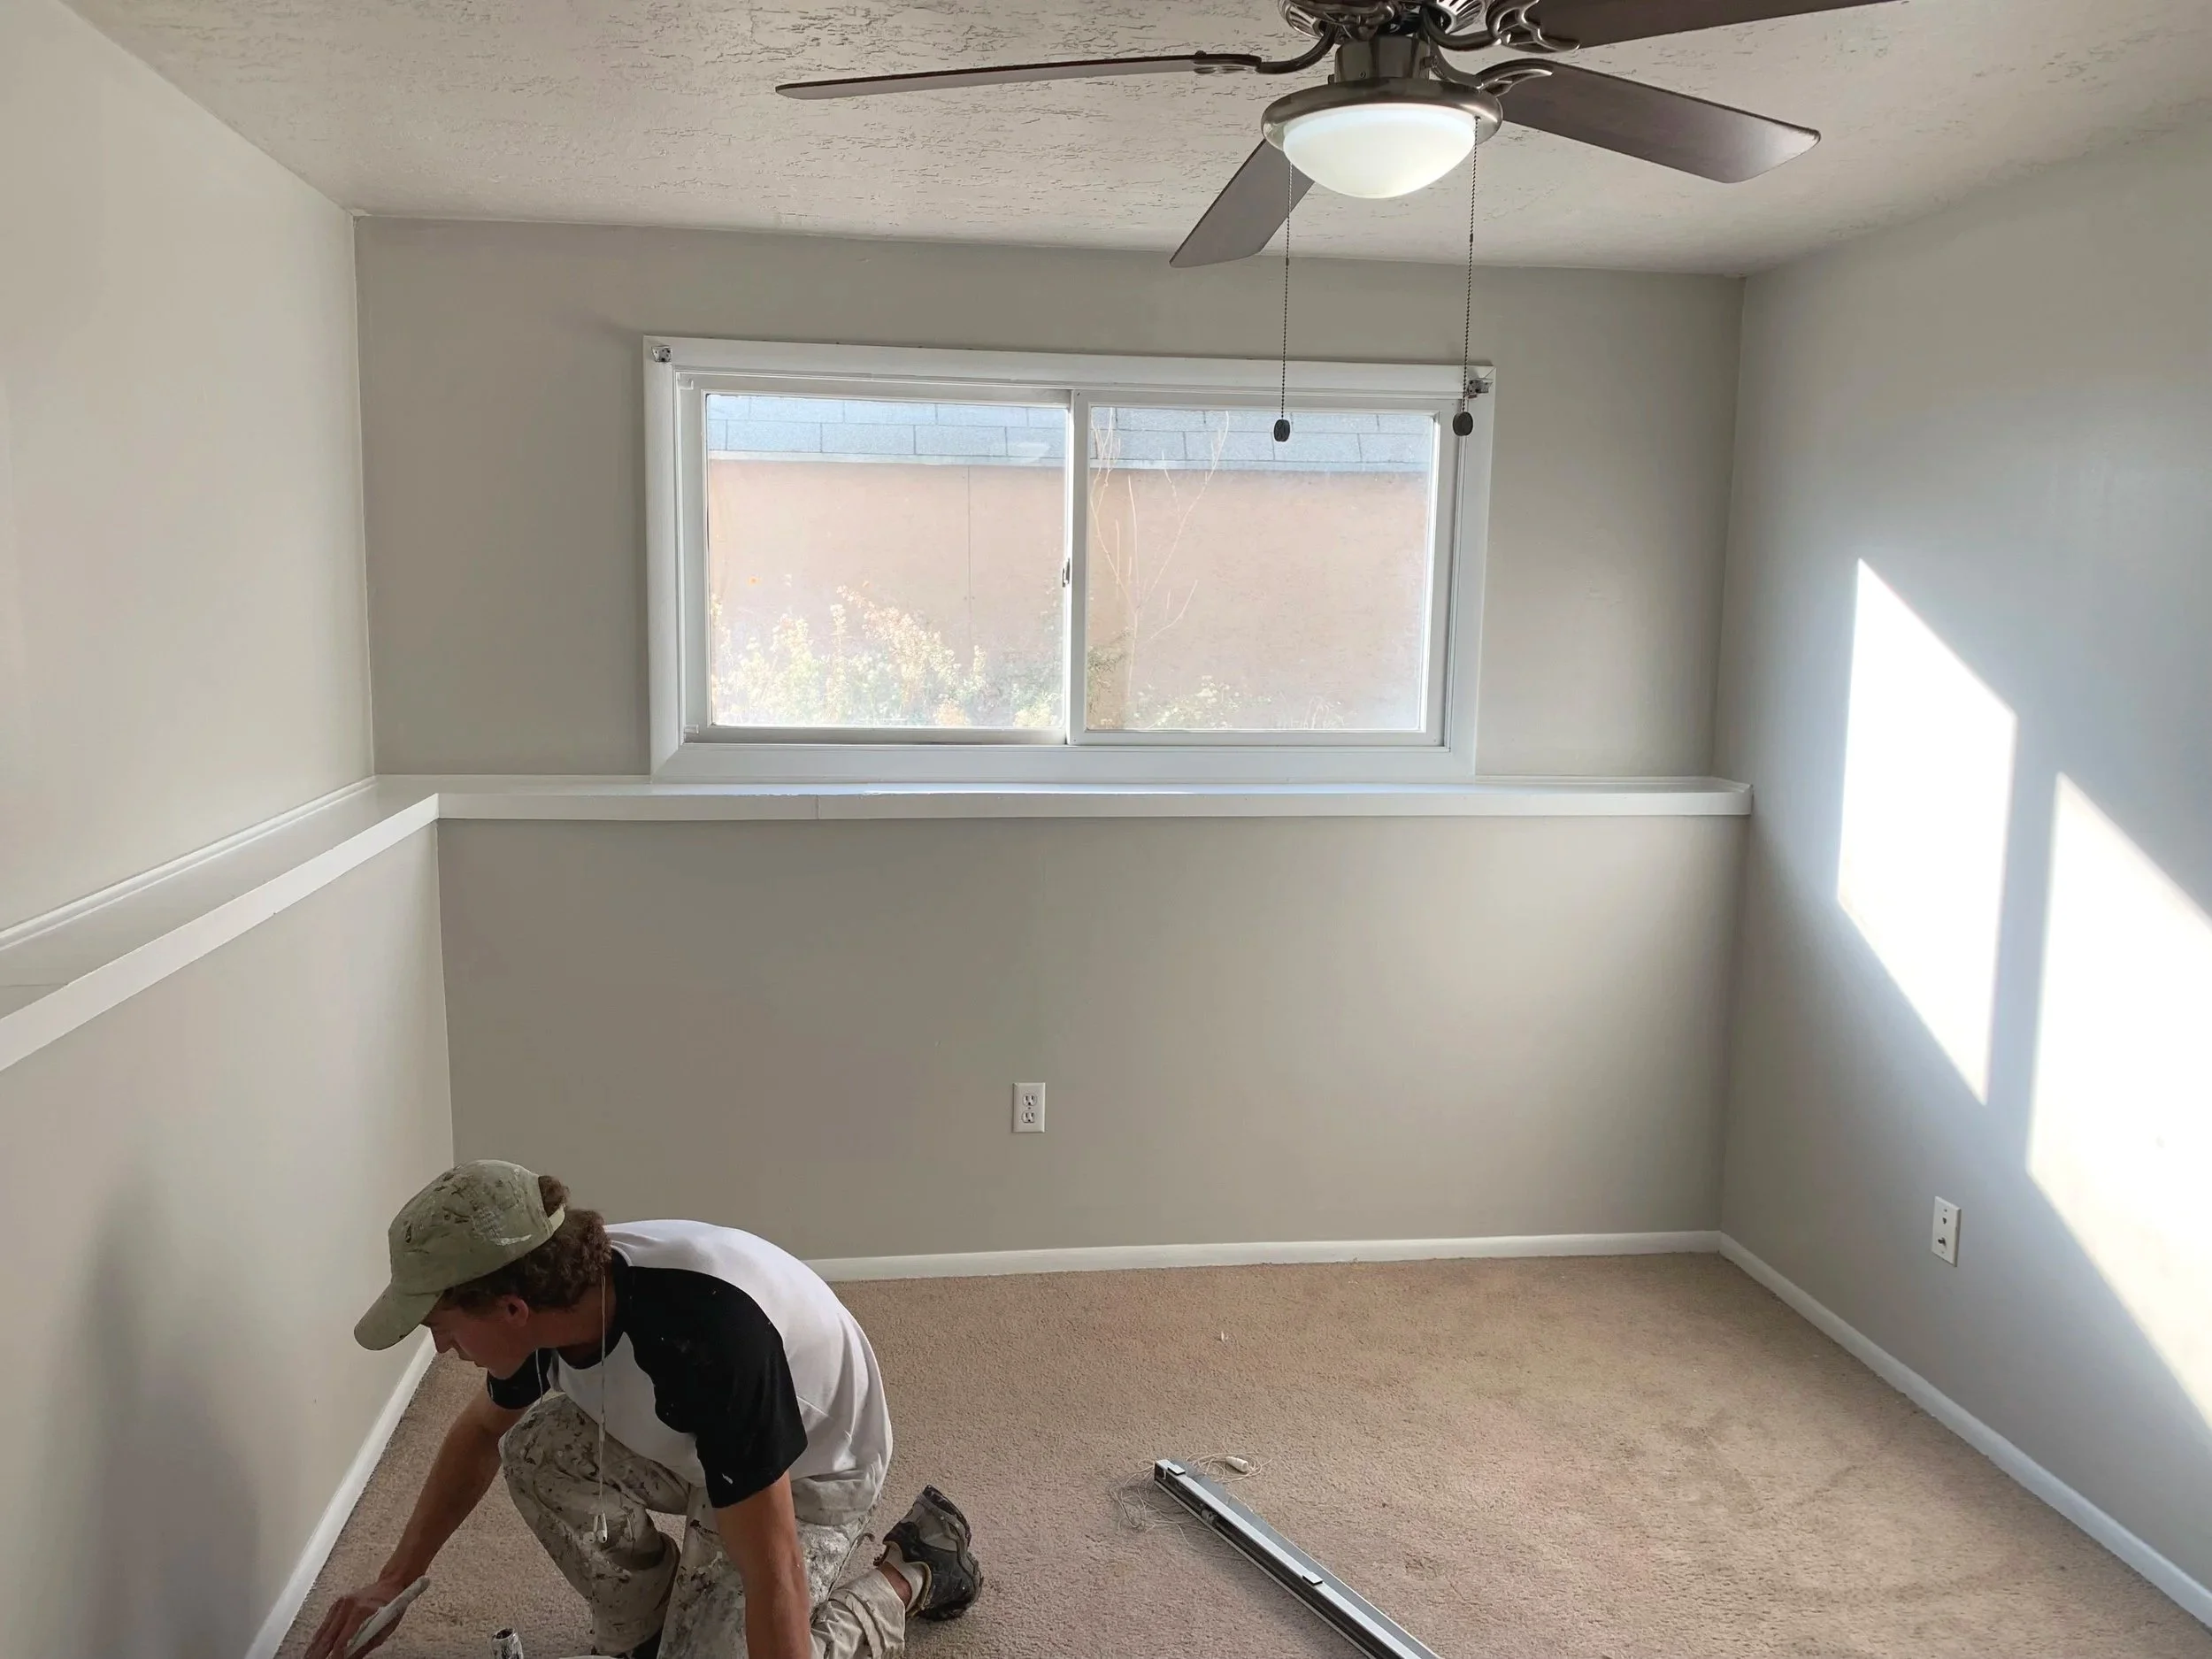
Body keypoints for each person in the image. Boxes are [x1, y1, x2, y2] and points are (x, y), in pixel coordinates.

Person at [306, 1161, 981, 1659]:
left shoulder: (709, 1338)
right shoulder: (550, 1296)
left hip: (811, 1472)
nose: (443, 1346)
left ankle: (915, 1568)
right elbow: (481, 1434)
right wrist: (393, 1577)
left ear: (511, 1308)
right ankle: (651, 1629)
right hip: (691, 1442)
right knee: (534, 1449)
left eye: (440, 1323)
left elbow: (775, 1569)